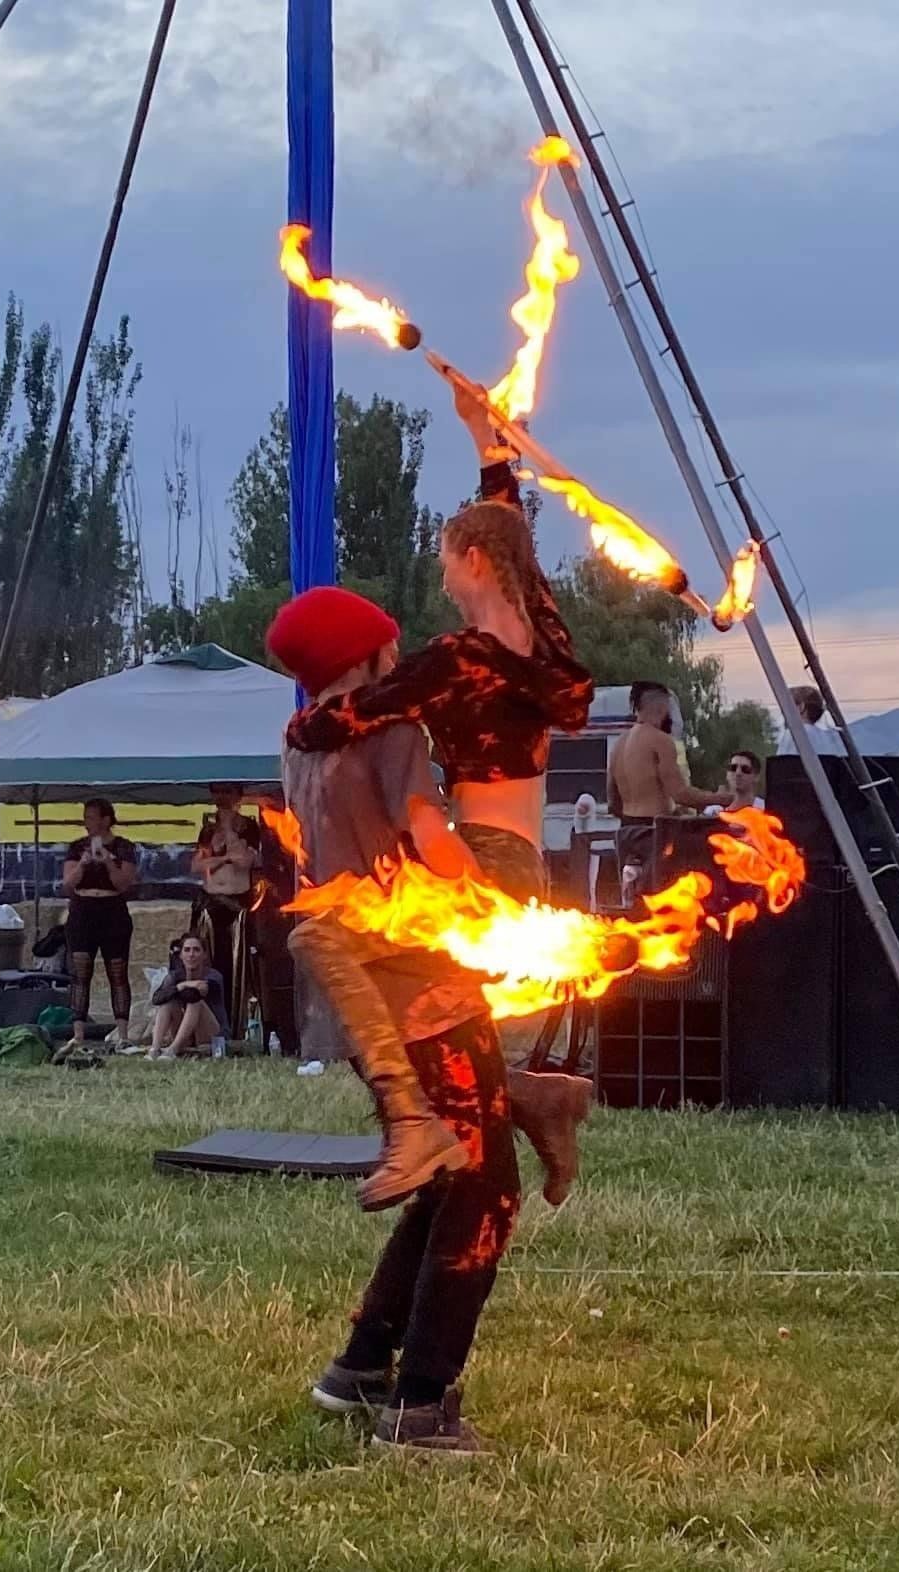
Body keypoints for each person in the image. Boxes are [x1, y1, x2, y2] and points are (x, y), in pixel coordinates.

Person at [276, 388, 594, 1209]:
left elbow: (364, 708)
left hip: (480, 862)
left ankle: (420, 1122)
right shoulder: (546, 648)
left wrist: (309, 730)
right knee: (440, 1020)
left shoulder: (456, 660)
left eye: (449, 559)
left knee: (337, 949)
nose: (442, 575)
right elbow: (519, 552)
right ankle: (539, 1099)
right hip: (524, 856)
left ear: (474, 562)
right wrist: (488, 447)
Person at [278, 585, 519, 1455]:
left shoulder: (301, 743)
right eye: (389, 642)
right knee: (487, 1194)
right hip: (425, 992)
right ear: (367, 655)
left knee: (449, 1177)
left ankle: (359, 1368)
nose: (400, 650)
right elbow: (429, 838)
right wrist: (497, 902)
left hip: (359, 1002)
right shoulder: (391, 732)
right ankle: (421, 1406)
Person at [608, 682, 732, 902]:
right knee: (668, 898)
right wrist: (720, 798)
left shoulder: (619, 744)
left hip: (627, 830)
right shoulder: (661, 741)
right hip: (655, 830)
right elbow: (680, 793)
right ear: (663, 708)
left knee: (634, 903)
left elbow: (612, 801)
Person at [62, 798, 138, 1047]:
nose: (87, 823)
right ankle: (78, 1034)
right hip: (83, 910)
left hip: (112, 909)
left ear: (106, 820)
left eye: (91, 817)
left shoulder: (124, 847)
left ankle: (123, 1035)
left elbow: (123, 883)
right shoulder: (76, 848)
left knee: (117, 971)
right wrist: (84, 864)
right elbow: (67, 883)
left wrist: (107, 861)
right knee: (80, 972)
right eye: (85, 817)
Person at [190, 782, 260, 1030]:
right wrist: (224, 857)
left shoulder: (248, 827)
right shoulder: (207, 831)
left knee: (236, 967)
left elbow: (245, 862)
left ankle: (237, 1024)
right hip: (210, 903)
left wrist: (229, 828)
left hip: (237, 906)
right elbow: (197, 866)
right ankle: (207, 1025)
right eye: (217, 791)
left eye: (227, 791)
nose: (221, 797)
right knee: (208, 964)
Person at [148, 932, 228, 1059]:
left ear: (204, 955)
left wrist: (183, 987)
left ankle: (172, 1050)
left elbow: (194, 994)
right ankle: (155, 1049)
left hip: (209, 1033)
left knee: (195, 1002)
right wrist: (182, 985)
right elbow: (157, 998)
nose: (191, 955)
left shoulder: (214, 976)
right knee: (168, 1002)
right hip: (186, 1033)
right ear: (181, 955)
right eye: (187, 950)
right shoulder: (174, 976)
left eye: (196, 950)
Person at [776, 685, 845, 757]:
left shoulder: (794, 735)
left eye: (786, 706)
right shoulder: (833, 738)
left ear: (801, 707)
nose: (782, 712)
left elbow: (782, 765)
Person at [706, 750, 765, 816]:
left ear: (756, 776)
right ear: (727, 774)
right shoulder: (712, 812)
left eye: (745, 769)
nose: (738, 773)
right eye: (733, 768)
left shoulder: (765, 809)